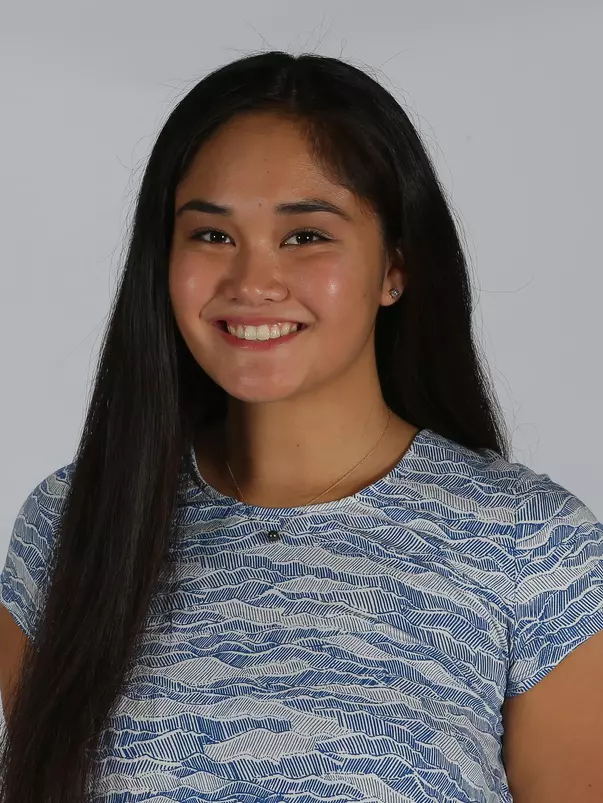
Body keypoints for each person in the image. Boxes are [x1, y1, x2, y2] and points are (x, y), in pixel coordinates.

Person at [0, 50, 602, 803]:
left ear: (394, 267)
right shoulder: (71, 526)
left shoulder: (531, 545)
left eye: (306, 236)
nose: (252, 282)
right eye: (211, 235)